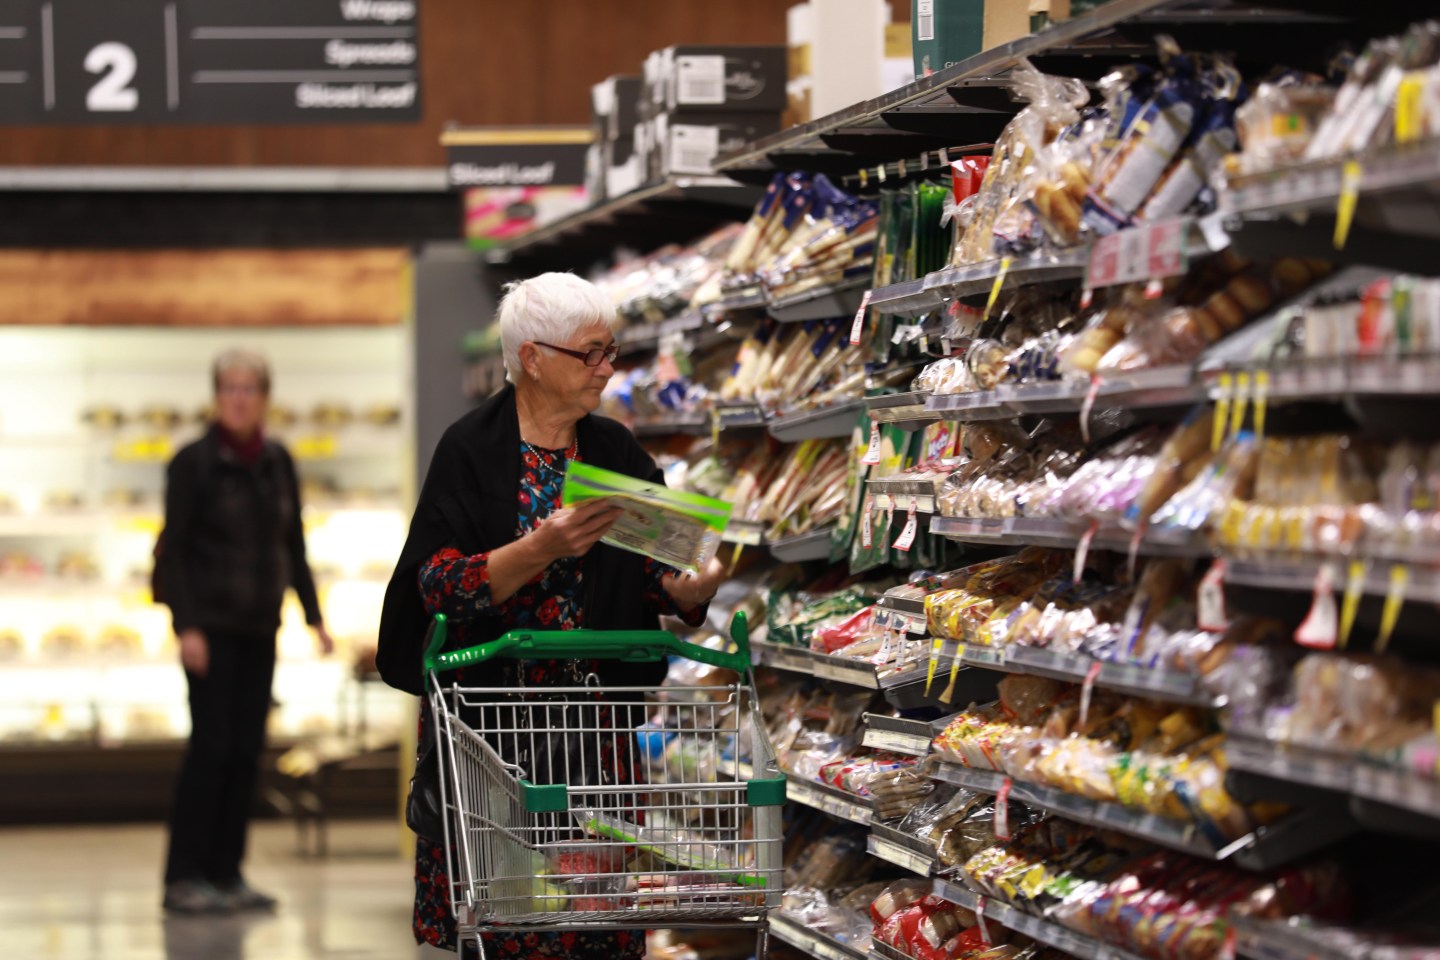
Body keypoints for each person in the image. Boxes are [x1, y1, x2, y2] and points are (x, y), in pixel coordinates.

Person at [377, 272, 724, 960]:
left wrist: (689, 591)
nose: (606, 369)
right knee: (509, 927)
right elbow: (436, 584)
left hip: (596, 737)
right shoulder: (471, 450)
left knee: (596, 928)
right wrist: (539, 549)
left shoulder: (615, 452)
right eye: (588, 354)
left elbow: (656, 573)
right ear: (532, 358)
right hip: (496, 741)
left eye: (610, 351)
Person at [155, 349, 335, 914]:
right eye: (230, 388)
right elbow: (170, 554)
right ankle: (184, 877)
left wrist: (313, 616)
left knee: (245, 753)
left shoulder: (278, 461)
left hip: (260, 629)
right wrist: (186, 625)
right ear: (216, 396)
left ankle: (228, 874)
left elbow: (293, 545)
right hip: (211, 631)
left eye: (250, 388)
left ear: (264, 397)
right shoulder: (193, 462)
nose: (239, 397)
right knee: (210, 750)